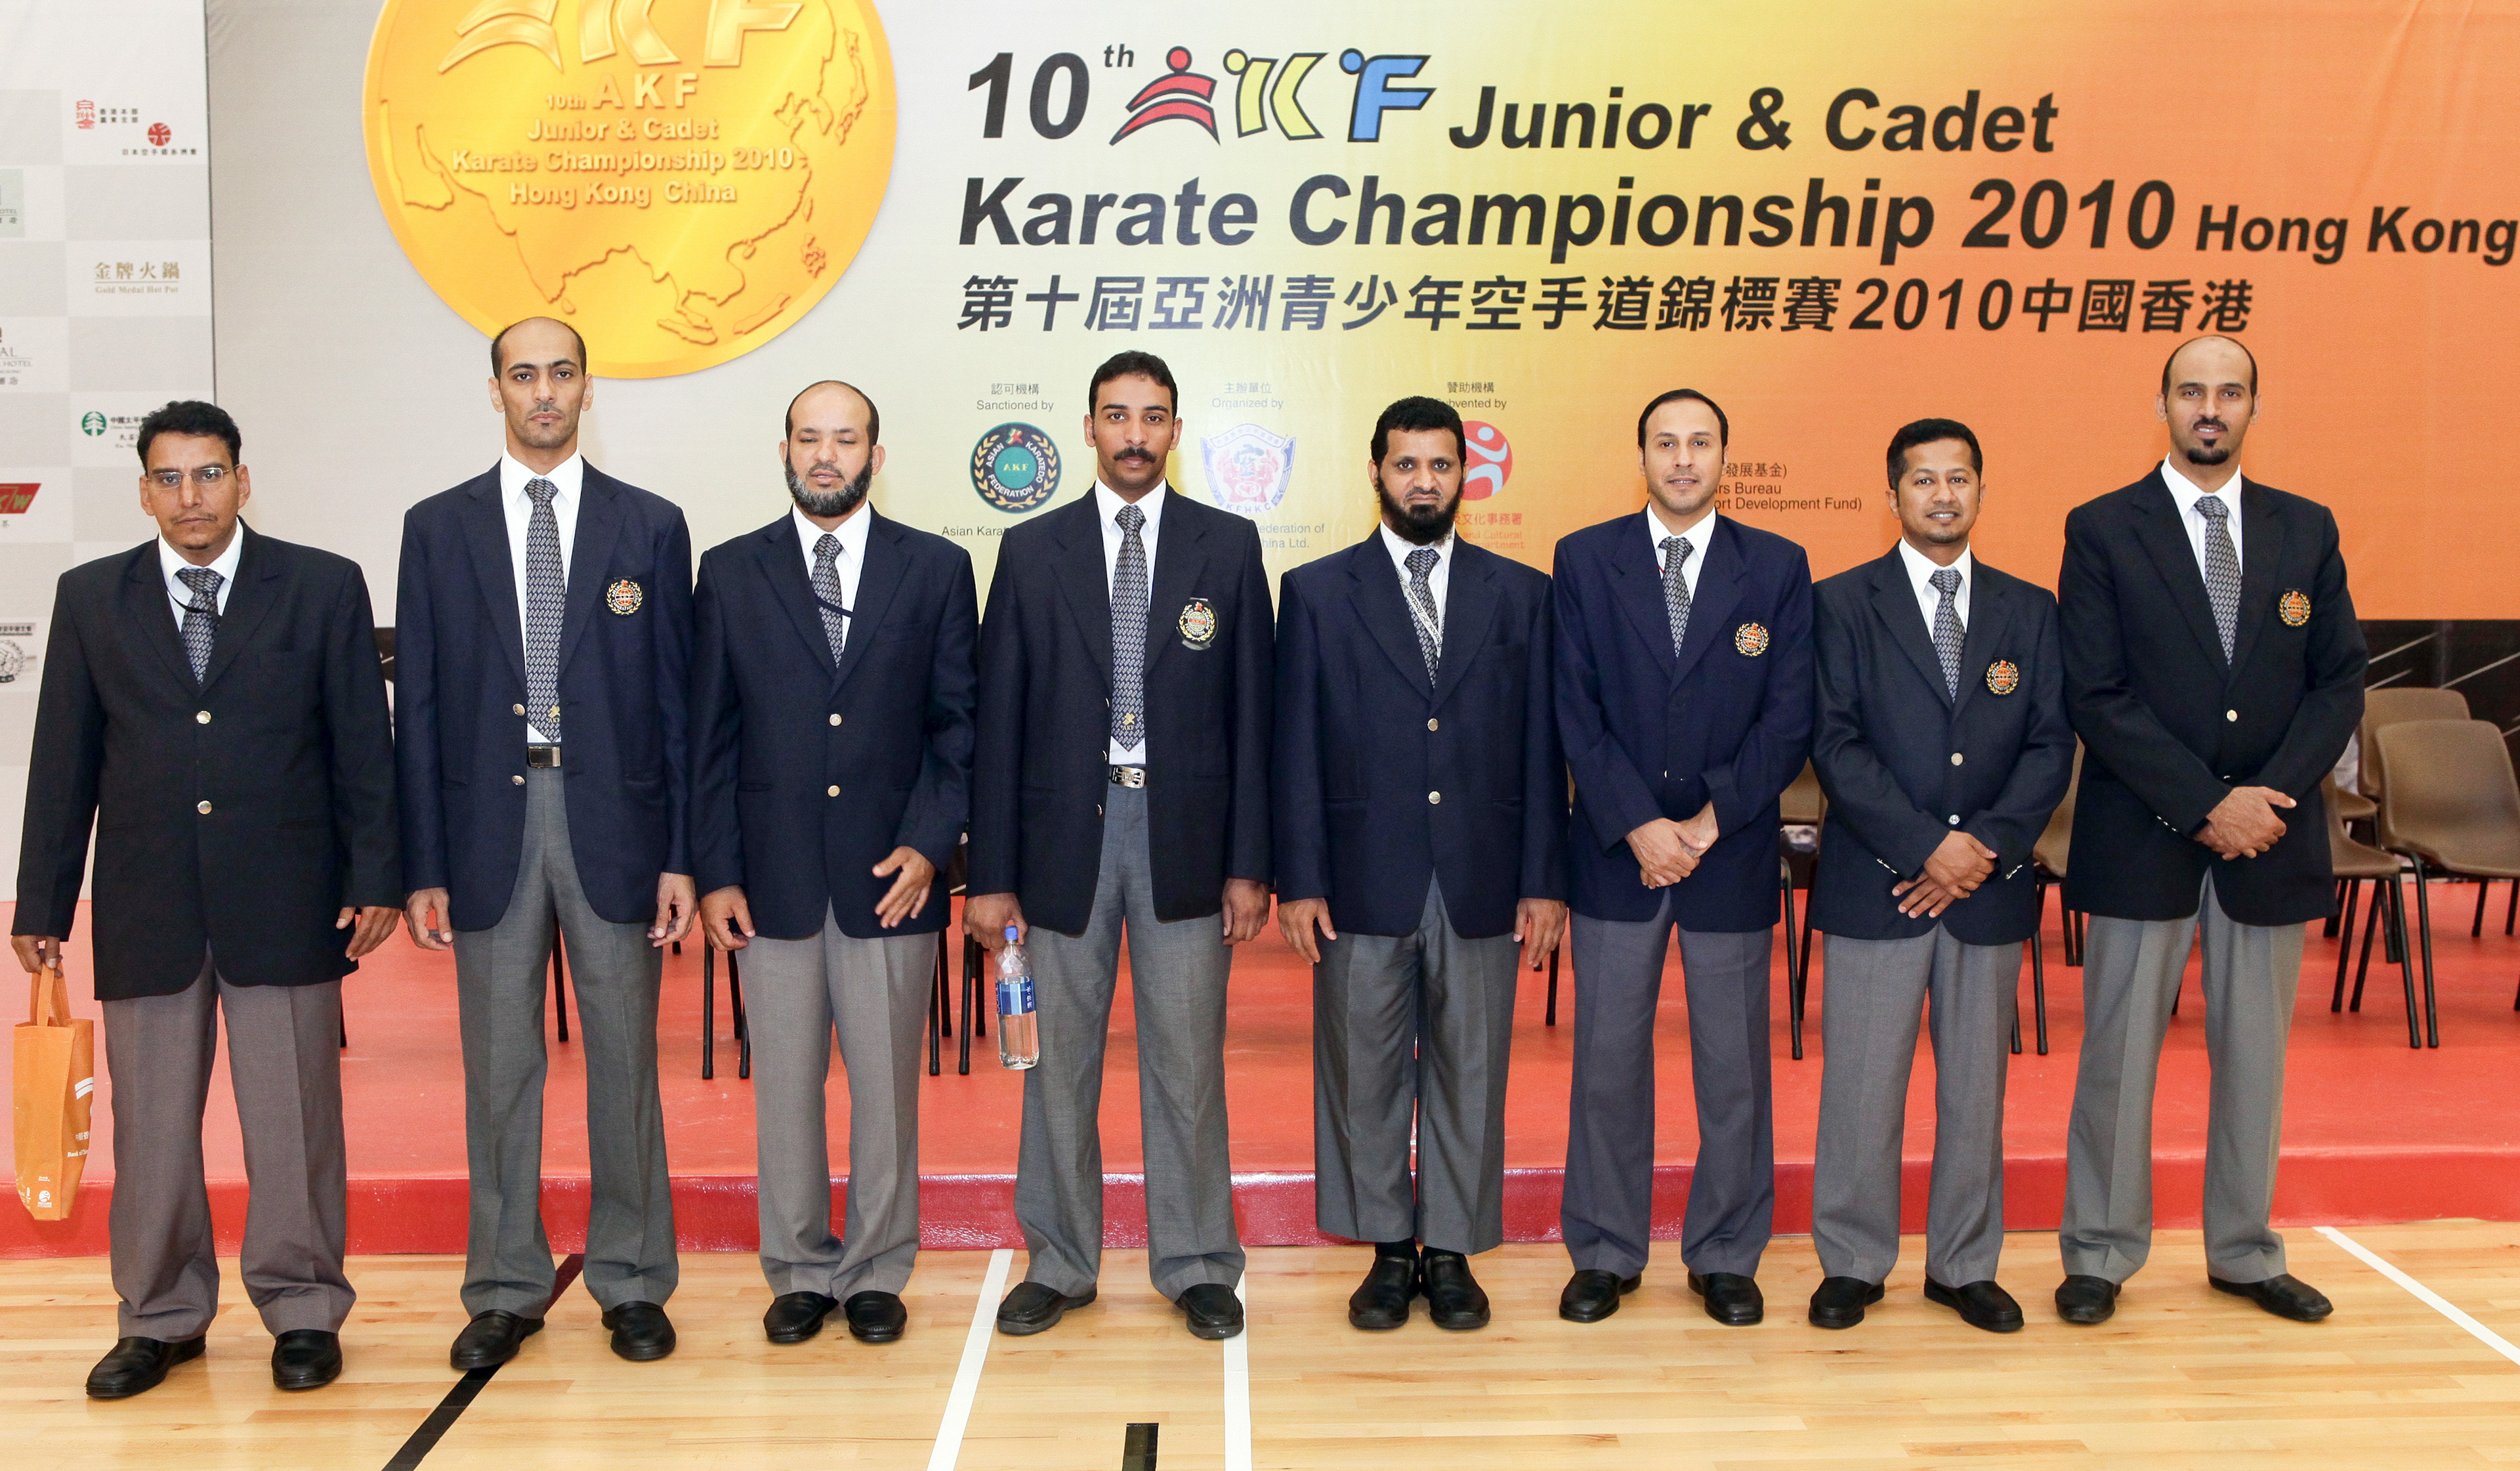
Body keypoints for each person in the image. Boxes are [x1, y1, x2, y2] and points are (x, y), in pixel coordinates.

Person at [12, 400, 399, 1397]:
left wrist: (375, 877)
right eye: (171, 478)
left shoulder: (320, 586)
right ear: (145, 491)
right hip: (148, 907)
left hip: (289, 900)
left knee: (295, 1125)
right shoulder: (92, 598)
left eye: (211, 473)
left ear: (243, 480)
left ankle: (303, 1308)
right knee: (150, 1133)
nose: (192, 496)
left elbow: (364, 748)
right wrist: (42, 903)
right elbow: (63, 762)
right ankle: (160, 1315)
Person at [396, 318, 696, 1368]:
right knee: (498, 1068)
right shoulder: (437, 528)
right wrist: (422, 863)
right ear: (495, 391)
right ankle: (504, 1285)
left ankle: (633, 1278)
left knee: (625, 1063)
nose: (543, 392)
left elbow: (678, 706)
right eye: (522, 375)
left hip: (616, 825)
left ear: (587, 388)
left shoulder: (649, 526)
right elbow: (417, 709)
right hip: (487, 825)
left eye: (561, 373)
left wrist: (681, 854)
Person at [2053, 336, 2364, 1326]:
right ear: (2164, 405)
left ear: (2253, 409)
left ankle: (2244, 1250)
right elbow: (2096, 693)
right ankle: (2100, 1251)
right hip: (2144, 834)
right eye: (2192, 391)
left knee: (2257, 1060)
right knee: (2118, 1056)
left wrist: (2266, 798)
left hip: (2270, 838)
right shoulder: (2103, 527)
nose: (2210, 408)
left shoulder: (2305, 527)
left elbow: (2338, 682)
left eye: (2230, 393)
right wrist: (2204, 803)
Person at [966, 350, 1273, 1341]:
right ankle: (1059, 1259)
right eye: (1116, 415)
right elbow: (998, 723)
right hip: (1063, 837)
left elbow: (1254, 718)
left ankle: (1198, 1262)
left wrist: (1249, 863)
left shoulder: (1229, 545)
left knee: (1188, 1063)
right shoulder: (1032, 548)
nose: (1134, 435)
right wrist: (991, 874)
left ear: (1176, 430)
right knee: (1056, 1065)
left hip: (1188, 840)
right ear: (1090, 426)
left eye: (1152, 417)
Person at [689, 381, 976, 1347]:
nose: (826, 456)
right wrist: (718, 872)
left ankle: (878, 1268)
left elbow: (958, 727)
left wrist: (931, 845)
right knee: (785, 1088)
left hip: (891, 877)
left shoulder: (936, 569)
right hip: (769, 878)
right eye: (809, 439)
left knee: (888, 1090)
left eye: (845, 440)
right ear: (783, 451)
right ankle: (800, 1268)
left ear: (875, 457)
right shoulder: (731, 571)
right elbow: (709, 738)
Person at [1274, 396, 1567, 1332]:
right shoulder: (1317, 591)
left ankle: (1450, 1251)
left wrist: (1544, 879)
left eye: (1441, 465)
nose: (1425, 482)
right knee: (1361, 1074)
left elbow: (1542, 747)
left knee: (1470, 1071)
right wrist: (1300, 878)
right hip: (1359, 876)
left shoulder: (1521, 594)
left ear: (1464, 476)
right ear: (1376, 473)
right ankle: (1388, 1249)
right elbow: (1295, 747)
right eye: (1407, 465)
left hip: (1483, 874)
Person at [1551, 389, 1814, 1327]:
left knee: (1734, 1069)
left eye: (1701, 442)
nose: (1684, 459)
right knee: (1607, 1065)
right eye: (1666, 443)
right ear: (1642, 457)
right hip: (1617, 855)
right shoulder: (1586, 559)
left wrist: (1707, 822)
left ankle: (1727, 1252)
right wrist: (1638, 823)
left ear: (1724, 458)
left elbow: (1790, 715)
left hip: (1727, 852)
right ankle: (1605, 1250)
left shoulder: (1776, 566)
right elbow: (1573, 706)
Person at [1804, 418, 2073, 1333]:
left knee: (1975, 1093)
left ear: (1982, 491)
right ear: (1893, 496)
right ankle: (1852, 1261)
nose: (1943, 495)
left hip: (1987, 888)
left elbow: (2050, 744)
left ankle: (1964, 1265)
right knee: (1861, 1089)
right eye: (1924, 480)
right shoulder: (1841, 602)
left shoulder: (2029, 608)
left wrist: (1980, 848)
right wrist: (1926, 847)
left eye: (1959, 478)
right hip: (1878, 882)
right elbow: (1835, 742)